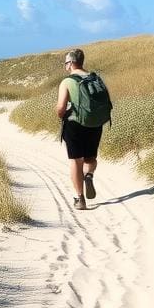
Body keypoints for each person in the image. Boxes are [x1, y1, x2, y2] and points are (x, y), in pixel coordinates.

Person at [54, 48, 110, 210]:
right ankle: (89, 175)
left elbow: (60, 107)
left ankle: (80, 199)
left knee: (76, 161)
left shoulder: (67, 81)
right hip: (95, 123)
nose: (65, 66)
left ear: (71, 63)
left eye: (66, 63)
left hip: (74, 124)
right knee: (90, 158)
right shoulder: (95, 78)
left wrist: (61, 115)